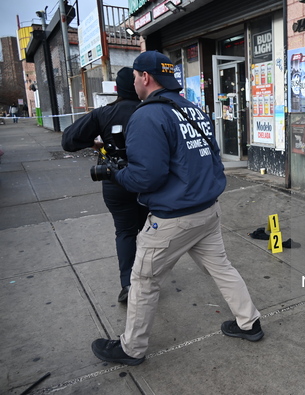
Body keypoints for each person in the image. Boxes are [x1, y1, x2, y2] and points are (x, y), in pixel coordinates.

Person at [91, 51, 263, 366]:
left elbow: (147, 176)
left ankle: (131, 349)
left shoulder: (148, 115)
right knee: (222, 268)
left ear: (145, 77)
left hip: (174, 217)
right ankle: (249, 322)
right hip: (207, 210)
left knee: (142, 280)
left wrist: (116, 173)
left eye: (134, 77)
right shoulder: (191, 109)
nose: (133, 82)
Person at [62, 68, 148, 304]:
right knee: (146, 231)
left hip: (115, 181)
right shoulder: (151, 110)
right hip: (146, 181)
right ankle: (146, 279)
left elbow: (68, 140)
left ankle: (128, 284)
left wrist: (96, 144)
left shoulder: (103, 114)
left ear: (118, 89)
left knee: (125, 232)